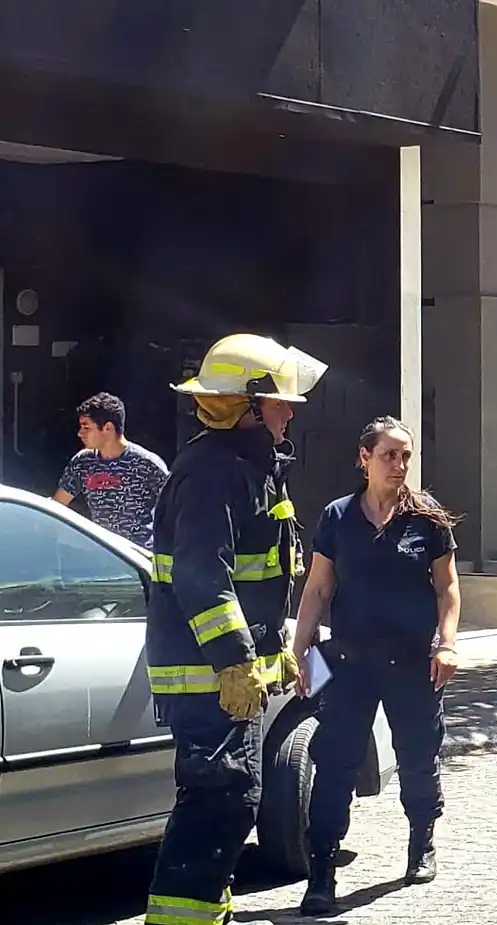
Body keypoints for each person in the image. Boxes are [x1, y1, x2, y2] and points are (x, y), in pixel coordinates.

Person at [143, 333, 328, 925]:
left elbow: (257, 582)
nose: (290, 411)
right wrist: (233, 661)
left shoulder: (248, 467)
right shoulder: (213, 473)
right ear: (248, 405)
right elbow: (202, 577)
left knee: (233, 799)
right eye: (280, 401)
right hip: (209, 679)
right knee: (218, 800)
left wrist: (280, 654)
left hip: (228, 675)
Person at [293, 416, 463, 915]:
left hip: (412, 663)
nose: (400, 464)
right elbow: (318, 588)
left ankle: (421, 841)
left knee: (417, 757)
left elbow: (447, 589)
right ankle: (321, 873)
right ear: (364, 458)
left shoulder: (426, 519)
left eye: (405, 455)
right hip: (347, 663)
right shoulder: (337, 516)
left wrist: (447, 644)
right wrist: (301, 650)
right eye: (389, 454)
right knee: (334, 764)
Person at [53, 392, 170, 547]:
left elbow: (177, 508)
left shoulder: (146, 463)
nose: (80, 433)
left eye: (86, 427)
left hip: (139, 556)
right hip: (103, 553)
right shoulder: (82, 462)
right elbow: (58, 505)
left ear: (108, 428)